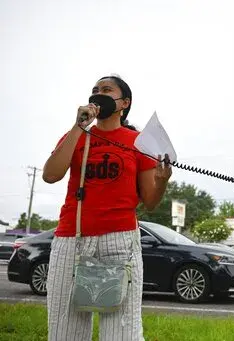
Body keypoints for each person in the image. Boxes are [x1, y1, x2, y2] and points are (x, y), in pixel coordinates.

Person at [42, 75, 172, 341]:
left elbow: (150, 201)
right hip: (72, 238)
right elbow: (50, 175)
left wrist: (161, 182)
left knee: (122, 330)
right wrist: (78, 127)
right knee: (65, 328)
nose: (98, 93)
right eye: (94, 90)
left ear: (124, 103)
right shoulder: (76, 135)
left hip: (120, 241)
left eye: (106, 89)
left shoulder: (138, 142)